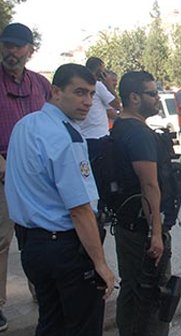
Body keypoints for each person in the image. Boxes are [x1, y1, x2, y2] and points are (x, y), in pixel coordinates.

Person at [5, 63, 116, 335]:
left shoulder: (25, 125)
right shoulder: (68, 137)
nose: (87, 102)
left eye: (91, 94)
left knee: (50, 323)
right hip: (64, 249)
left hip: (32, 246)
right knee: (83, 327)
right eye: (79, 93)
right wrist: (101, 264)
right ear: (55, 92)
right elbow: (80, 210)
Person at [111, 71, 173, 335]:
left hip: (128, 224)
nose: (157, 98)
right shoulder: (138, 134)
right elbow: (149, 185)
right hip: (142, 229)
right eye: (152, 93)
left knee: (132, 287)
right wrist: (156, 233)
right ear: (134, 98)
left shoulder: (122, 126)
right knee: (154, 293)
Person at [0, 22, 51, 331]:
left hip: (36, 174)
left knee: (37, 234)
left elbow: (53, 122)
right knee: (1, 240)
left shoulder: (40, 84)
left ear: (30, 50)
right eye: (7, 45)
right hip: (3, 172)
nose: (11, 51)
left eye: (18, 46)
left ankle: (41, 291)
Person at [79, 56, 121, 160]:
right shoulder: (98, 85)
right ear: (99, 70)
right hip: (99, 137)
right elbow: (116, 104)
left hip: (83, 136)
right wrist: (108, 85)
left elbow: (109, 112)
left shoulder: (80, 84)